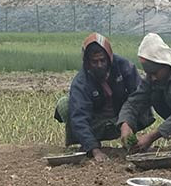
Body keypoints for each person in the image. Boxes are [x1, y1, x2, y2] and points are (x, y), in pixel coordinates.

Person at [53, 33, 140, 162]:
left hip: (121, 117)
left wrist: (127, 122)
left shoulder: (124, 67)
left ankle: (129, 141)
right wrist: (95, 150)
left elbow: (139, 96)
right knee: (65, 104)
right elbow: (79, 117)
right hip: (97, 122)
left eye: (102, 60)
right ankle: (87, 143)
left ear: (109, 58)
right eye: (94, 61)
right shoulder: (81, 82)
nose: (99, 65)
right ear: (87, 62)